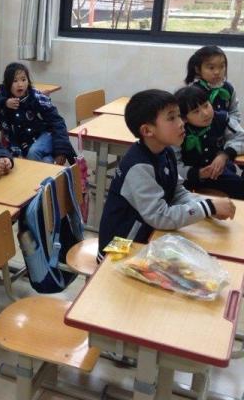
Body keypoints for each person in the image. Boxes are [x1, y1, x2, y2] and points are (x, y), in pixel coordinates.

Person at [98, 89, 236, 259]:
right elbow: (160, 216)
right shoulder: (138, 167)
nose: (181, 123)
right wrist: (208, 207)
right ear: (147, 130)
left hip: (150, 237)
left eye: (179, 116)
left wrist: (207, 205)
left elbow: (177, 193)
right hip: (119, 250)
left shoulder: (166, 152)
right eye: (171, 118)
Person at [0, 62, 75, 164]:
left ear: (28, 81)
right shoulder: (4, 96)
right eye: (15, 81)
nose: (20, 84)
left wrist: (61, 150)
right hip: (21, 144)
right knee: (46, 161)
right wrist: (4, 102)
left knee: (33, 152)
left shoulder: (36, 97)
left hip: (44, 136)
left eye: (23, 80)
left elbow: (57, 122)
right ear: (7, 83)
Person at [174, 85, 244, 199]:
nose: (205, 113)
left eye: (206, 105)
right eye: (196, 111)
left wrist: (224, 155)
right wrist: (198, 173)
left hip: (217, 174)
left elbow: (241, 137)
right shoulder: (177, 131)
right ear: (184, 118)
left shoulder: (221, 118)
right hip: (187, 179)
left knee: (239, 187)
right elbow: (173, 165)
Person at [184, 45, 240, 122]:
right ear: (198, 70)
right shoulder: (194, 91)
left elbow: (234, 112)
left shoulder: (228, 88)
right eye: (211, 68)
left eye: (222, 66)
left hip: (228, 127)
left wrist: (230, 126)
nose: (217, 72)